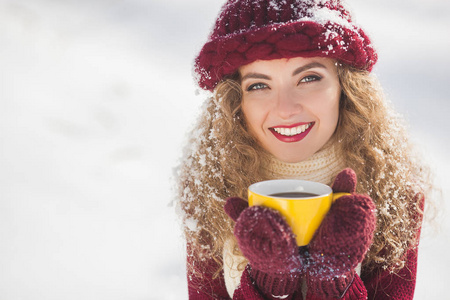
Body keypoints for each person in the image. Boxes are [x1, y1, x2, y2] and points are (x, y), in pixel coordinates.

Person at [176, 0, 431, 299]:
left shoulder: (394, 194)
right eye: (259, 85)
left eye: (309, 78)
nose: (285, 109)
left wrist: (333, 281)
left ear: (346, 87)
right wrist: (269, 287)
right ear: (235, 102)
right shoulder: (211, 191)